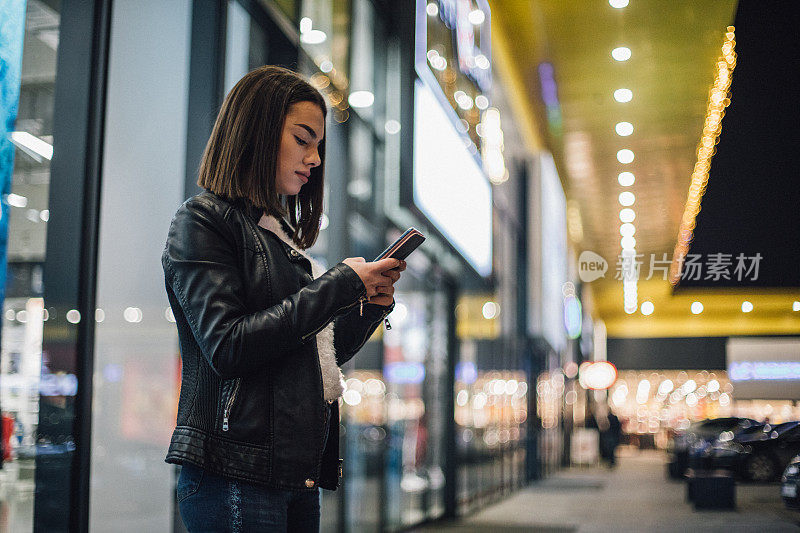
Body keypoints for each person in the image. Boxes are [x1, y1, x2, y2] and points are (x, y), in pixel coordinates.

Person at [162, 65, 405, 532]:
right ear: (256, 132)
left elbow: (312, 355)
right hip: (233, 471)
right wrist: (338, 284)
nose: (314, 159)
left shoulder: (279, 239)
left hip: (293, 472)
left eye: (318, 145)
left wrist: (368, 304)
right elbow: (228, 346)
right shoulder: (202, 221)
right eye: (303, 139)